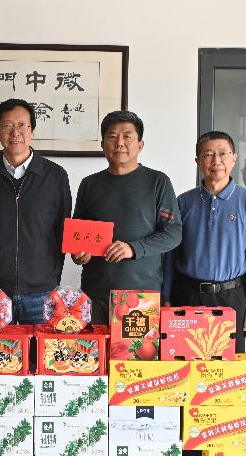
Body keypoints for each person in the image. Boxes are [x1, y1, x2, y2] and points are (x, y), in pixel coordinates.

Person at [71, 111, 183, 325]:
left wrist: (134, 248)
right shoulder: (89, 184)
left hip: (141, 296)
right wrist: (78, 254)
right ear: (103, 144)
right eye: (112, 136)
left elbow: (173, 233)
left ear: (140, 145)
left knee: (138, 348)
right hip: (95, 294)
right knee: (93, 347)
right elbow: (78, 235)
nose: (119, 143)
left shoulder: (157, 182)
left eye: (127, 136)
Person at [163, 131, 246, 353]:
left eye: (223, 153)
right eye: (208, 155)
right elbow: (170, 255)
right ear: (198, 162)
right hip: (187, 295)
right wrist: (166, 297)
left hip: (231, 297)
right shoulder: (183, 202)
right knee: (185, 361)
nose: (216, 161)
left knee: (228, 366)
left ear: (234, 159)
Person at [0, 99, 72, 325]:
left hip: (41, 291)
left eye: (22, 125)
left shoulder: (55, 176)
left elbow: (62, 228)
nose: (15, 133)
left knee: (40, 348)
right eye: (7, 126)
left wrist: (50, 274)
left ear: (32, 130)